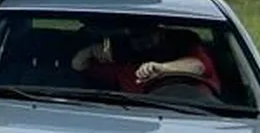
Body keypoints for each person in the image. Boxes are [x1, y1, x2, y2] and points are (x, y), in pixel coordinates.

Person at [72, 22, 221, 95]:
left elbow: (199, 66)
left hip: (202, 113)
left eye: (149, 35)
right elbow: (78, 66)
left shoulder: (189, 53)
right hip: (143, 113)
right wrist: (89, 51)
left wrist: (163, 69)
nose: (143, 42)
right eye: (136, 37)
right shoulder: (125, 68)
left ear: (161, 34)